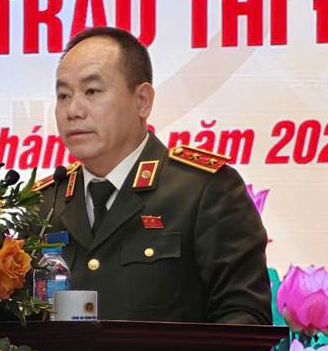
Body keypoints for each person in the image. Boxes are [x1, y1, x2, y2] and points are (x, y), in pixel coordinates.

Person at [37, 26, 271, 324]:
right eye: (63, 95)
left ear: (142, 100)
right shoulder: (46, 204)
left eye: (92, 91)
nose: (73, 110)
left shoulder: (202, 191)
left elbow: (244, 318)